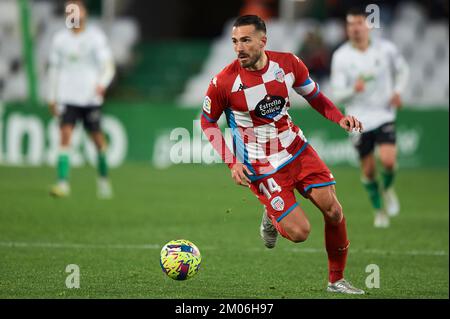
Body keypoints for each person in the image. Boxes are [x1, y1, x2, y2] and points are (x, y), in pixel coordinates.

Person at [201, 15, 365, 294]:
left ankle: (336, 281)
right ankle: (270, 214)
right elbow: (207, 123)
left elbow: (314, 96)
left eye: (245, 40)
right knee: (300, 233)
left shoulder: (288, 64)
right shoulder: (224, 82)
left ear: (263, 40)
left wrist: (339, 118)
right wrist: (232, 162)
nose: (239, 48)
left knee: (334, 211)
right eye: (234, 42)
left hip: (296, 149)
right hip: (260, 165)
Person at [330, 7, 409, 228]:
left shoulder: (386, 50)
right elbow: (337, 93)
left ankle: (389, 188)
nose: (355, 29)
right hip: (357, 119)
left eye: (359, 23)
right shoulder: (341, 56)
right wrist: (353, 89)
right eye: (350, 25)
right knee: (368, 170)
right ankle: (378, 210)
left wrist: (398, 92)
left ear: (369, 25)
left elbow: (403, 70)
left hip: (383, 113)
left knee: (388, 161)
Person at [47, 0, 116, 198]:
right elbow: (53, 69)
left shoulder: (95, 37)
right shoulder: (60, 39)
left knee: (97, 140)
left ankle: (103, 180)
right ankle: (62, 183)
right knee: (65, 135)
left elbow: (108, 66)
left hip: (90, 98)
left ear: (84, 13)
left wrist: (102, 84)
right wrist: (51, 96)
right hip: (68, 97)